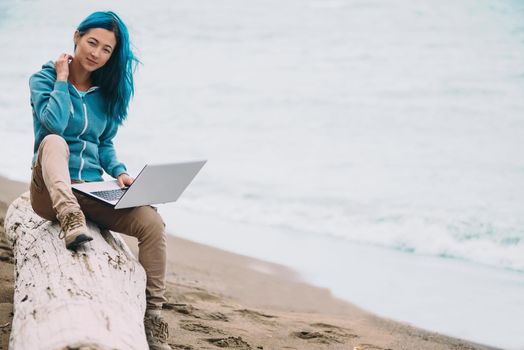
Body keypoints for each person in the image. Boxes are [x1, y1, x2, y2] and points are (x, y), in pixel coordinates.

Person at [28, 11, 170, 350]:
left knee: (152, 223)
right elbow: (52, 126)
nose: (97, 53)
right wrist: (63, 79)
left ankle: (153, 317)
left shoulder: (105, 94)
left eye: (106, 50)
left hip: (90, 191)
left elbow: (104, 144)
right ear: (76, 36)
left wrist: (120, 173)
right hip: (49, 193)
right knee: (54, 142)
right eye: (92, 42)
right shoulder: (43, 78)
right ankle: (71, 218)